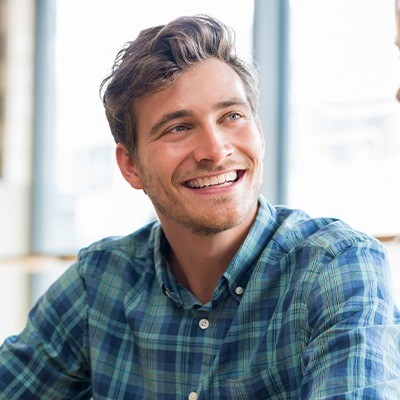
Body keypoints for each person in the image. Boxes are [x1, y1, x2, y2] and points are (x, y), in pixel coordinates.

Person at [1, 14, 400, 399]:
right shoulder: (100, 282)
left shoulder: (335, 267)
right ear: (130, 166)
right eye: (178, 127)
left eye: (231, 116)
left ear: (258, 132)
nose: (215, 150)